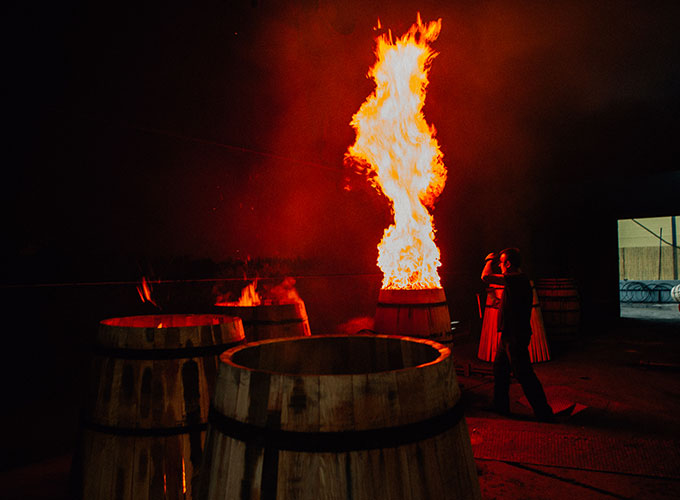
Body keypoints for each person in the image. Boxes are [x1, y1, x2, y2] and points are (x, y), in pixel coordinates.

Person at [481, 248, 554, 422]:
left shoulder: (516, 279)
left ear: (508, 263)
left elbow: (486, 277)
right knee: (500, 370)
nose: (499, 265)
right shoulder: (515, 281)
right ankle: (500, 406)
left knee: (524, 374)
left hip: (515, 336)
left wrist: (489, 260)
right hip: (508, 335)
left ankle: (544, 413)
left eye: (501, 262)